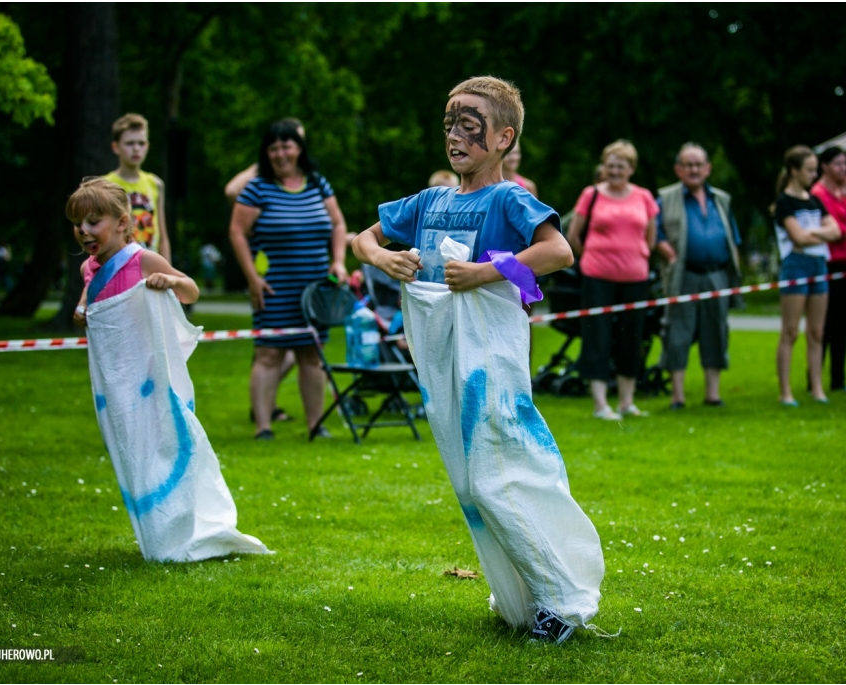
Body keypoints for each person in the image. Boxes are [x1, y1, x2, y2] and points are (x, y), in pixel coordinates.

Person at [352, 76, 604, 644]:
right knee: (471, 483)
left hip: (490, 357)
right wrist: (382, 259)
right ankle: (523, 594)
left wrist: (487, 271)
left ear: (502, 137)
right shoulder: (431, 200)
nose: (455, 135)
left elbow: (559, 252)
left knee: (496, 478)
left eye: (470, 125)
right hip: (443, 363)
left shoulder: (509, 198)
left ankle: (561, 601)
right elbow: (360, 240)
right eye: (449, 123)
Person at [68, 177, 269, 562]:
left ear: (122, 222)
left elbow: (190, 291)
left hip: (149, 376)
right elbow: (90, 292)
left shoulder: (141, 260)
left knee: (165, 441)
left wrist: (169, 280)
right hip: (117, 382)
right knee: (132, 449)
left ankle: (181, 527)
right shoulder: (89, 269)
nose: (84, 231)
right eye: (78, 224)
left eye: (94, 222)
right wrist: (81, 308)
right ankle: (157, 534)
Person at [229, 119, 349, 440]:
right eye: (273, 147)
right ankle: (263, 427)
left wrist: (338, 262)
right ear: (265, 153)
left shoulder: (317, 183)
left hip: (314, 286)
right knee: (269, 353)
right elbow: (237, 233)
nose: (280, 153)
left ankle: (315, 424)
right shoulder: (257, 188)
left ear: (299, 149)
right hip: (273, 286)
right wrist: (252, 278)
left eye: (287, 145)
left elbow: (338, 225)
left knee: (312, 353)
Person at [566, 140, 657, 419]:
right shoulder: (591, 194)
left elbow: (651, 237)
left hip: (635, 277)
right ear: (604, 167)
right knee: (597, 336)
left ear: (631, 169)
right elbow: (573, 236)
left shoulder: (643, 197)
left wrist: (636, 256)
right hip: (597, 277)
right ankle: (600, 403)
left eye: (621, 166)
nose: (615, 171)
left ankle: (626, 401)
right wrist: (591, 259)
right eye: (610, 165)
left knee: (632, 337)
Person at [655, 143, 742, 409]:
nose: (694, 170)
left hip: (717, 275)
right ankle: (677, 396)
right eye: (688, 165)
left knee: (716, 332)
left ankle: (712, 394)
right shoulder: (666, 197)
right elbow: (653, 231)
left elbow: (733, 236)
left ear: (707, 168)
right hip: (684, 275)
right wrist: (664, 248)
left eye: (698, 164)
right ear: (678, 169)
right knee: (677, 334)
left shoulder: (721, 199)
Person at [772, 146, 843, 406]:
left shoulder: (815, 200)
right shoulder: (784, 202)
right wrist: (818, 233)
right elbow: (797, 237)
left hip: (819, 265)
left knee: (817, 331)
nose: (814, 175)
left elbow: (836, 231)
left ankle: (817, 389)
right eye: (810, 169)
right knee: (790, 331)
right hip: (796, 266)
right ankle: (785, 392)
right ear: (794, 170)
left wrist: (813, 235)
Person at [810, 146, 846, 393]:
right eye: (838, 164)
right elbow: (825, 228)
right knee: (826, 324)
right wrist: (845, 232)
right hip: (829, 263)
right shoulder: (818, 193)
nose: (843, 169)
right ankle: (815, 379)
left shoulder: (843, 193)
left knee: (843, 324)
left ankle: (838, 379)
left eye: (845, 164)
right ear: (825, 166)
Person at [103, 113, 170, 262]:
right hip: (118, 264)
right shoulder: (105, 186)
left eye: (141, 143)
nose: (136, 149)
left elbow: (162, 236)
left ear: (147, 146)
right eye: (129, 143)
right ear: (116, 147)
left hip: (150, 265)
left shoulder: (155, 184)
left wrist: (169, 274)